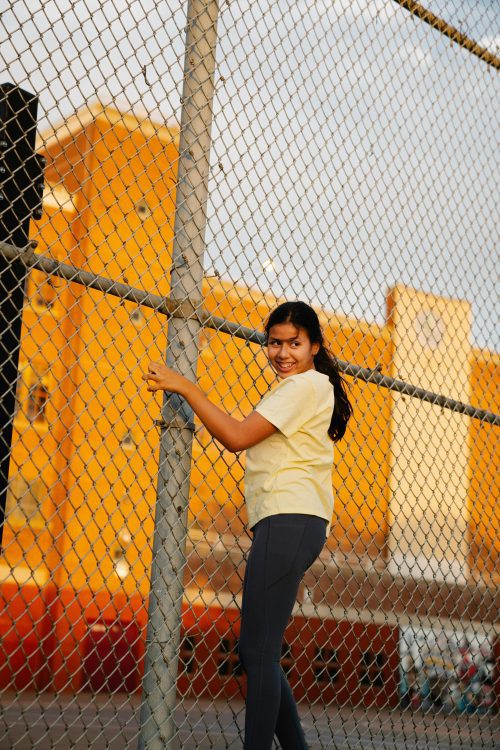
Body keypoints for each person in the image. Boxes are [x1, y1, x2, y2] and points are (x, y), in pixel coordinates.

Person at [143, 300, 352, 750]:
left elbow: (237, 437)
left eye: (294, 343)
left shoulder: (301, 388)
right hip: (296, 521)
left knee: (257, 652)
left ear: (314, 346)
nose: (282, 352)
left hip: (287, 519)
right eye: (274, 343)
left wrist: (185, 387)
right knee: (261, 653)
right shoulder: (308, 388)